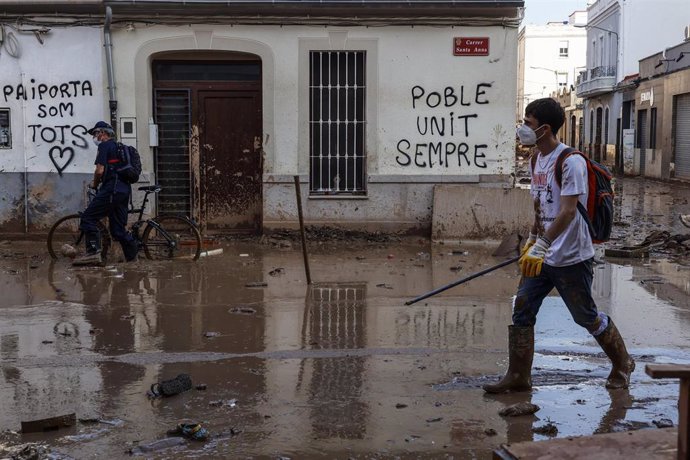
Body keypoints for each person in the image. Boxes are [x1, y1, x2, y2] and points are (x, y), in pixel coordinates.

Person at [483, 98, 634, 393]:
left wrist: (544, 243)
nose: (522, 129)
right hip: (542, 254)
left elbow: (567, 210)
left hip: (571, 256)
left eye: (528, 124)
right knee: (522, 308)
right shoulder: (536, 159)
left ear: (545, 128)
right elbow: (540, 205)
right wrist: (531, 240)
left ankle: (622, 362)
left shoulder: (571, 161)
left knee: (585, 317)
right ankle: (518, 376)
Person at [73, 121, 138, 265]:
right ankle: (133, 259)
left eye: (95, 133)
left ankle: (93, 254)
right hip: (124, 191)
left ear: (102, 133)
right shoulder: (119, 147)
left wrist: (95, 184)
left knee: (88, 218)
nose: (94, 137)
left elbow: (100, 170)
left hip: (111, 190)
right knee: (118, 230)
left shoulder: (104, 146)